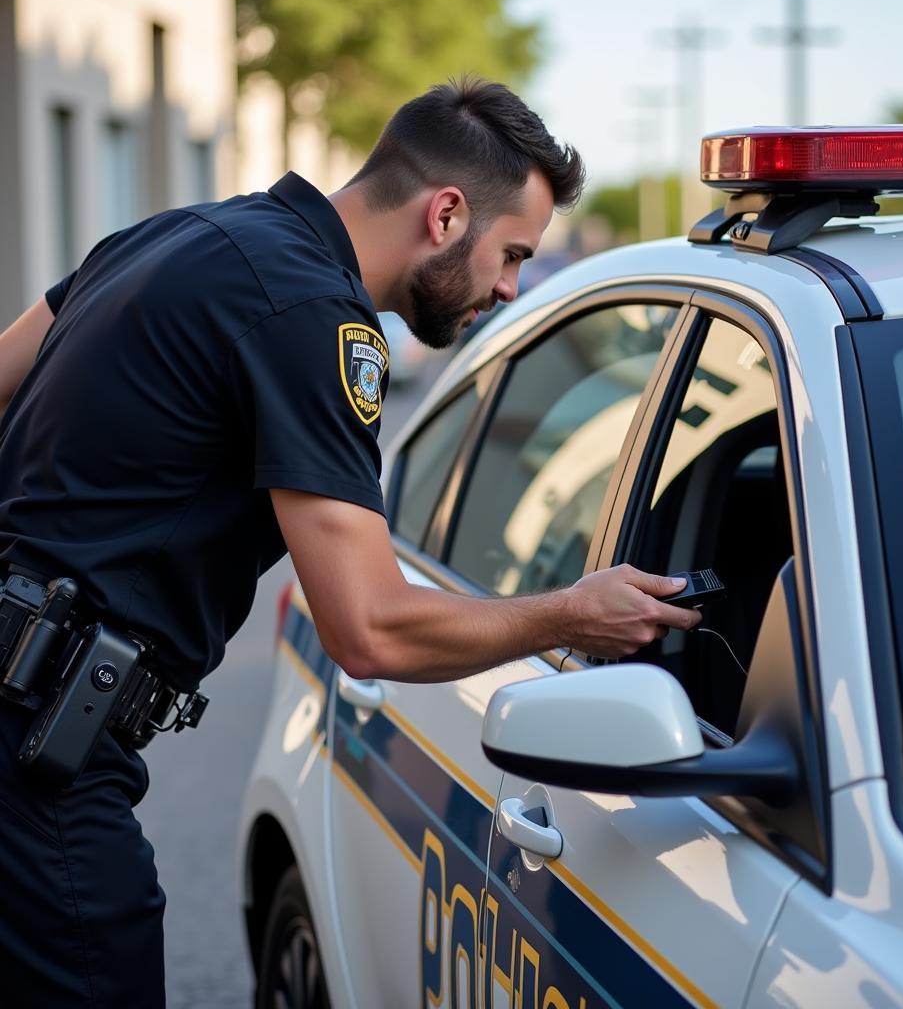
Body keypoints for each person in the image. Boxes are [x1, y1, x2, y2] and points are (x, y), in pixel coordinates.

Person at [0, 77, 700, 1006]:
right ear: (446, 214)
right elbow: (369, 628)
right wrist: (572, 613)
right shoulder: (316, 319)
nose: (510, 287)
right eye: (513, 253)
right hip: (34, 752)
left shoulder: (175, 233)